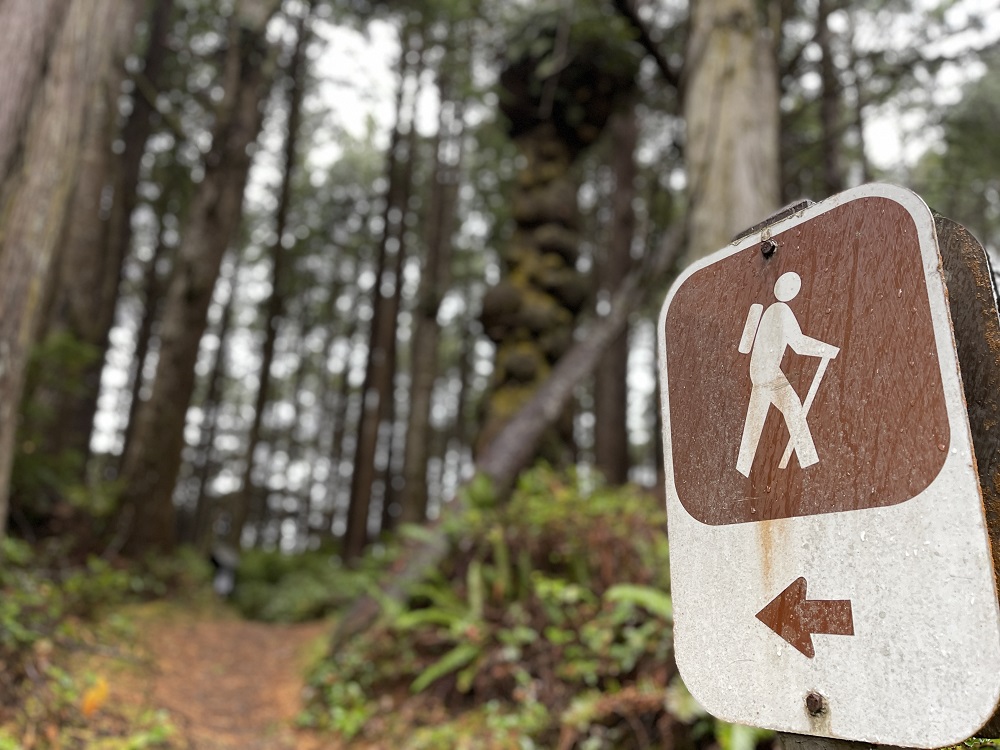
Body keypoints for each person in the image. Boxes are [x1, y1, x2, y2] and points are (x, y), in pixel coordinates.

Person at [736, 272, 839, 477]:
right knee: (793, 407)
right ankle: (810, 462)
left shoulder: (766, 311)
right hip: (770, 373)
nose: (793, 292)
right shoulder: (781, 310)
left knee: (754, 421)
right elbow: (799, 344)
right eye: (792, 288)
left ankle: (742, 468)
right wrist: (828, 350)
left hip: (757, 373)